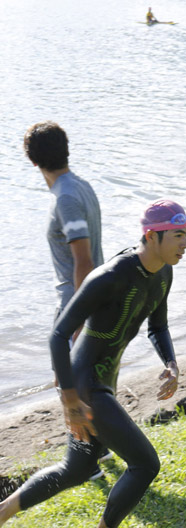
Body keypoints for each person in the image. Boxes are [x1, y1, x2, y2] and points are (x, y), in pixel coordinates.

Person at [0, 199, 186, 528]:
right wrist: (70, 399)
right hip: (85, 386)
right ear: (152, 236)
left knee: (77, 469)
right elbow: (58, 335)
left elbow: (158, 326)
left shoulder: (163, 273)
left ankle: (2, 512)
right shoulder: (110, 277)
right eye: (178, 235)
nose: (185, 244)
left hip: (104, 381)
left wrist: (171, 363)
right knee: (145, 464)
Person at [24, 121, 108, 479]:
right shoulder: (79, 186)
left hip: (77, 300)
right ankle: (100, 448)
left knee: (69, 382)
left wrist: (77, 319)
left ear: (32, 160)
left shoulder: (67, 197)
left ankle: (85, 464)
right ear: (66, 150)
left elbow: (83, 260)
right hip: (88, 298)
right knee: (86, 379)